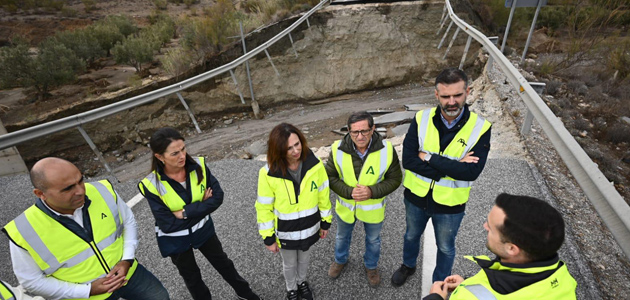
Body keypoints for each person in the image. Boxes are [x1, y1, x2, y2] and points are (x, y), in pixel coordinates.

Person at [2, 157, 169, 300]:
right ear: (40, 193)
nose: (80, 191)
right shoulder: (23, 229)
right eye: (68, 188)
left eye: (81, 180)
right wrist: (87, 290)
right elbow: (31, 281)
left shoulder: (101, 190)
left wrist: (127, 259)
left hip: (129, 274)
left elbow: (128, 222)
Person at [392, 67, 492, 287]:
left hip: (450, 204)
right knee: (410, 236)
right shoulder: (422, 118)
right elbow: (408, 160)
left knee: (446, 247)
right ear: (437, 95)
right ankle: (408, 265)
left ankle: (440, 284)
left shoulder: (480, 128)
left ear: (467, 92)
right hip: (416, 197)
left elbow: (471, 172)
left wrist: (427, 156)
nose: (452, 102)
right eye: (445, 96)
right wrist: (452, 167)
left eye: (457, 95)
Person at [138, 127, 261, 300]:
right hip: (176, 240)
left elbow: (217, 197)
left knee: (224, 264)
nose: (182, 156)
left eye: (183, 149)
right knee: (192, 278)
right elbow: (167, 224)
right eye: (174, 153)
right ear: (159, 157)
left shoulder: (199, 166)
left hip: (203, 230)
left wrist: (185, 212)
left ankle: (245, 294)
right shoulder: (151, 185)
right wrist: (202, 205)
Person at [424, 193, 578, 300]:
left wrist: (435, 297)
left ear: (512, 249)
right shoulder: (564, 280)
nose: (485, 226)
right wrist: (467, 282)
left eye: (491, 228)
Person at [255, 123, 332, 300]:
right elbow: (264, 207)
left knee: (304, 260)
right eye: (289, 148)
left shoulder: (316, 165)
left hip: (309, 227)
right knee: (289, 264)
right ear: (278, 150)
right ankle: (291, 289)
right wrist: (268, 237)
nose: (296, 151)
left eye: (297, 144)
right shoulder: (267, 174)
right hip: (285, 232)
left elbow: (323, 194)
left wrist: (326, 221)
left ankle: (302, 282)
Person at [325, 111, 402, 286]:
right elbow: (329, 177)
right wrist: (349, 192)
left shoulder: (387, 150)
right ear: (348, 132)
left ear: (373, 128)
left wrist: (371, 192)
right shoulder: (337, 149)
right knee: (342, 237)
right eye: (355, 132)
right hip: (346, 208)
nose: (360, 137)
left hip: (373, 210)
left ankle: (371, 266)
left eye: (365, 131)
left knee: (373, 240)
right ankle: (340, 260)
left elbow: (395, 179)